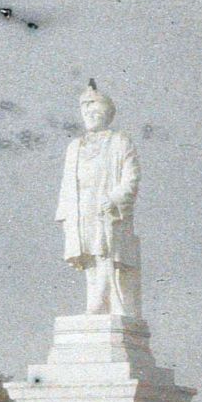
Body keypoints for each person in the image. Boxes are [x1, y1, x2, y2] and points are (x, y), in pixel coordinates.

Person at [56, 80, 142, 318]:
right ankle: (95, 300)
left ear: (106, 113)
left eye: (94, 110)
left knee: (105, 252)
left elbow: (131, 177)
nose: (89, 115)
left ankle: (99, 303)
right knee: (89, 257)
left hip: (108, 208)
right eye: (86, 111)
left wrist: (114, 198)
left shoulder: (120, 141)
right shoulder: (75, 147)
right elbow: (66, 182)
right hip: (81, 206)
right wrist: (64, 215)